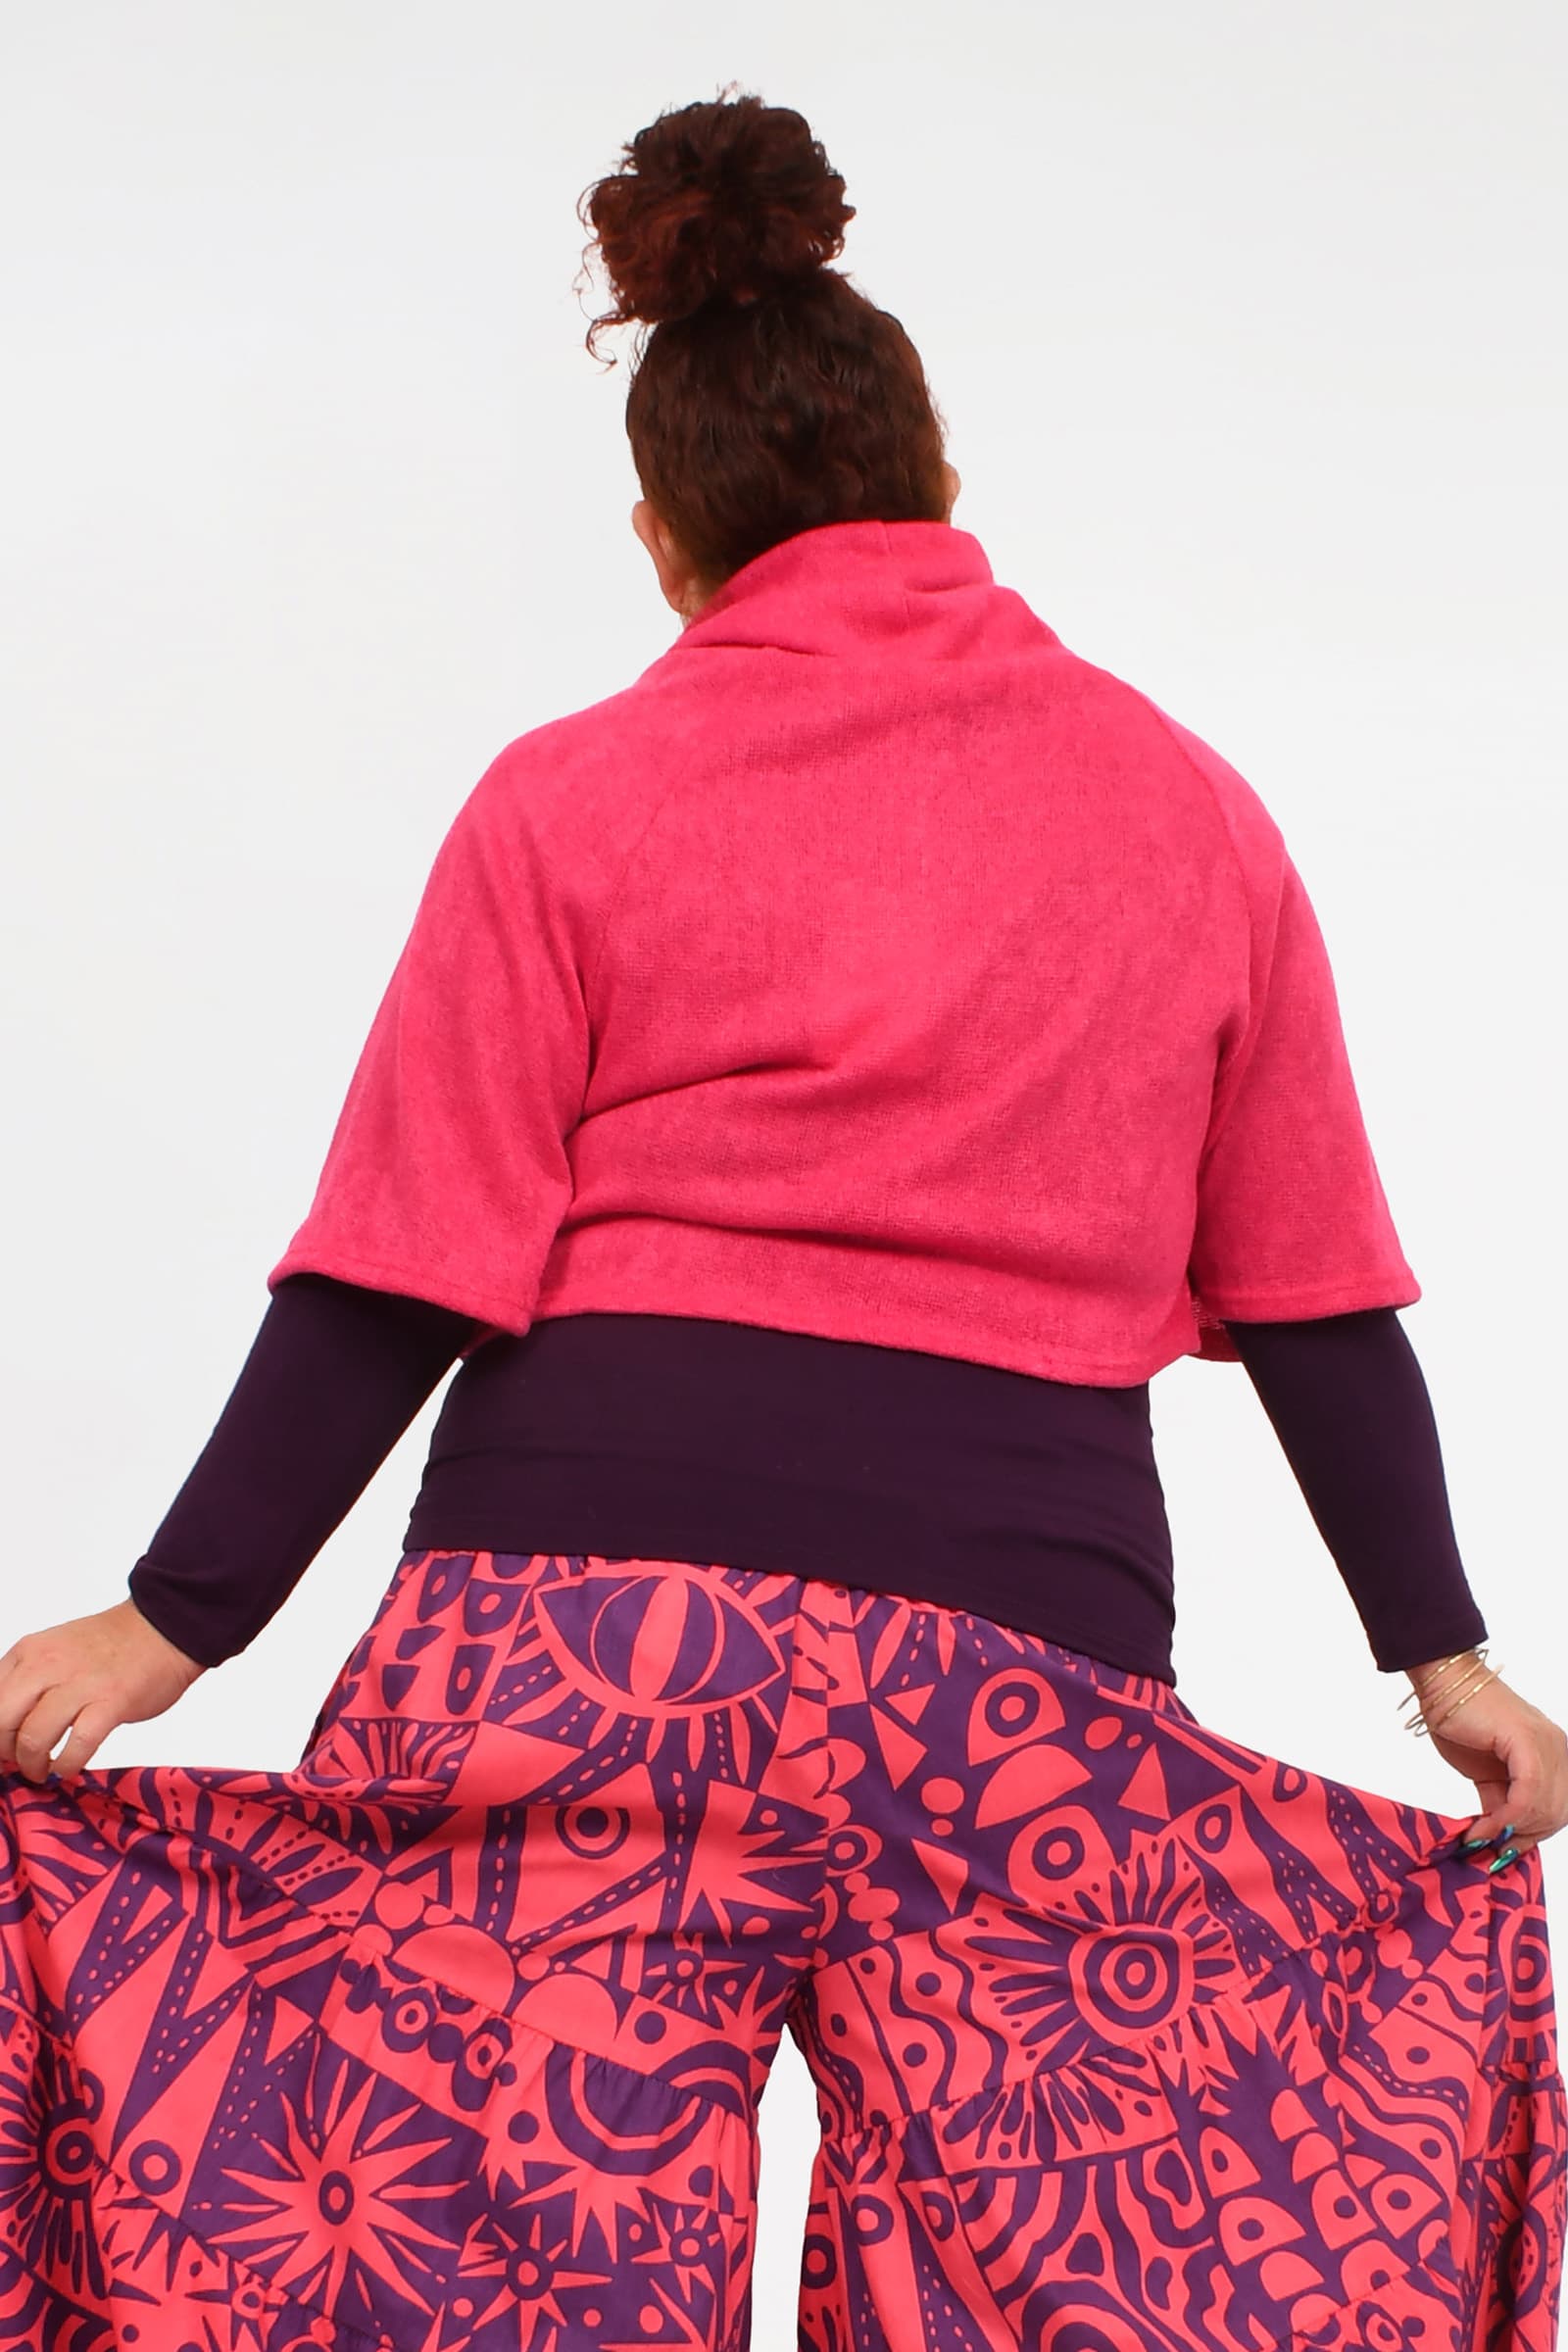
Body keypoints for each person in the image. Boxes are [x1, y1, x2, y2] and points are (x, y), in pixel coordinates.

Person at [1, 82, 1564, 2352]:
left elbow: (398, 1262)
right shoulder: (1186, 814)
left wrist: (172, 1624)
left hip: (576, 1651)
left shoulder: (573, 794)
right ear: (938, 484)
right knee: (1073, 2283)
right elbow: (1317, 1296)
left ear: (665, 544)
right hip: (1012, 1687)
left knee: (446, 2266)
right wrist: (1442, 1658)